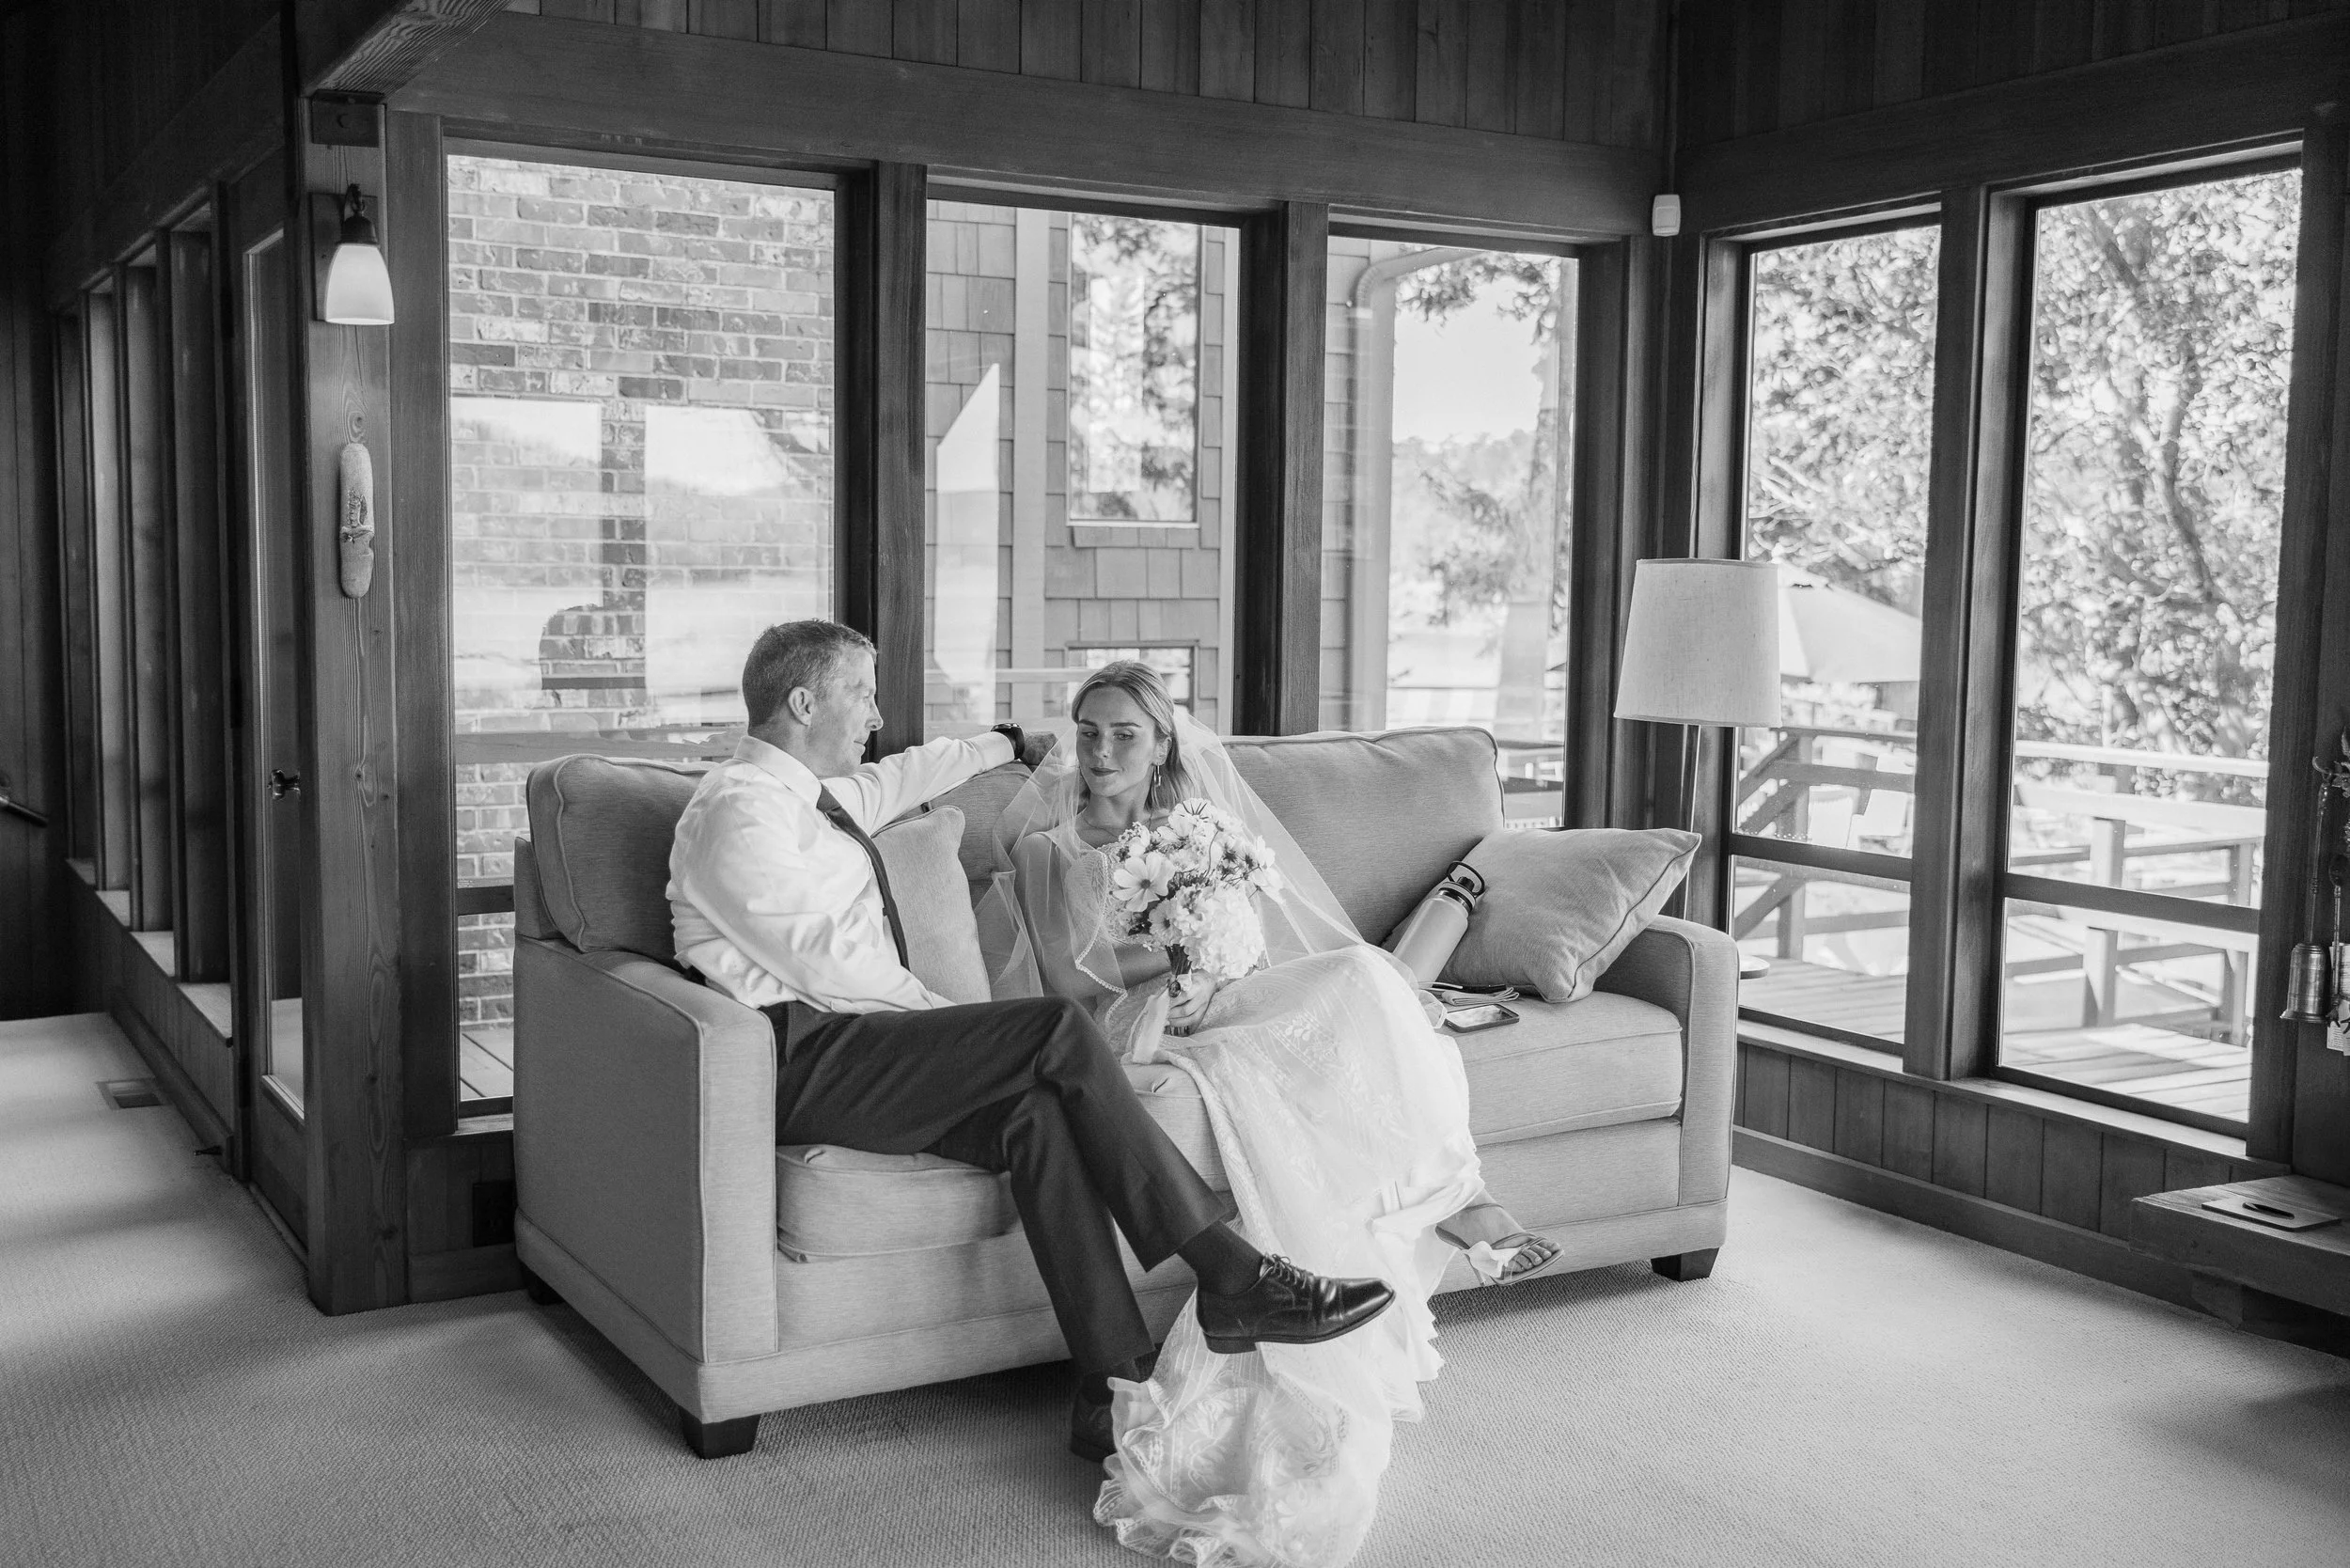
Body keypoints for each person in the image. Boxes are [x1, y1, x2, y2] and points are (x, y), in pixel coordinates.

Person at [666, 619, 1397, 1469]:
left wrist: (1002, 740)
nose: (874, 714)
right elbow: (827, 962)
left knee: (1036, 1117)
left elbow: (900, 775)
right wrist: (957, 1023)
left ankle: (1107, 1381)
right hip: (802, 1056)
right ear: (802, 702)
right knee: (1053, 1027)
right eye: (861, 693)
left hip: (857, 1048)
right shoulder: (737, 813)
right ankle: (1231, 1274)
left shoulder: (814, 799)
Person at [979, 661, 1560, 1568]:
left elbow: (1262, 926)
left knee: (1367, 976)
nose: (1100, 752)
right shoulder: (1049, 846)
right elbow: (1062, 981)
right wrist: (1172, 954)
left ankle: (1456, 1193)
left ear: (1162, 744)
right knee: (1284, 1050)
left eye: (1124, 734)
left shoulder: (1194, 825)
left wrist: (1220, 937)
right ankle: (1422, 1216)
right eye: (1088, 731)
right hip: (1135, 1022)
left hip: (1223, 988)